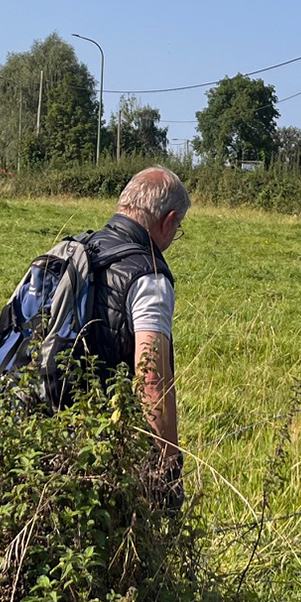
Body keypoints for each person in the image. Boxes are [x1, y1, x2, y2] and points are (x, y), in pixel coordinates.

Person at [83, 167, 190, 486]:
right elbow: (152, 380)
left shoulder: (81, 249)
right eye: (178, 228)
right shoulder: (149, 279)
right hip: (107, 446)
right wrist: (167, 469)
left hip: (45, 426)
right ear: (169, 221)